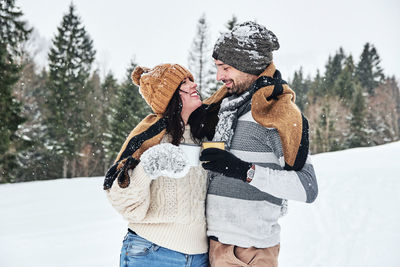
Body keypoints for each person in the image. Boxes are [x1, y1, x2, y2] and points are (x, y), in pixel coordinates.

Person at [199, 21, 319, 267]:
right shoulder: (223, 109)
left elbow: (307, 188)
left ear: (248, 66)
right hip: (212, 248)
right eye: (217, 68)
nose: (220, 77)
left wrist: (243, 171)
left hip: (253, 252)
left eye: (226, 67)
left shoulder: (277, 115)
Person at [103, 63, 211, 267]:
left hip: (200, 257)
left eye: (191, 79)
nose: (194, 84)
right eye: (184, 83)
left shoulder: (203, 134)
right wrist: (148, 166)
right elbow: (124, 203)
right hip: (153, 253)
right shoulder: (150, 136)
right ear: (169, 95)